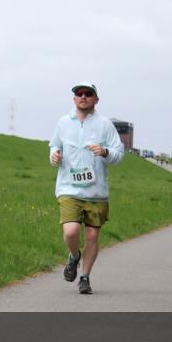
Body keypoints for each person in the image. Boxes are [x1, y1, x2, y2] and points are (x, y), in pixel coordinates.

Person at [49, 81, 124, 295]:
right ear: (74, 99)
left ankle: (85, 277)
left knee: (92, 237)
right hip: (69, 188)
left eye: (88, 94)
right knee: (71, 231)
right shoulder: (63, 122)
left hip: (96, 192)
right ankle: (74, 256)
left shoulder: (105, 124)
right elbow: (54, 145)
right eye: (79, 94)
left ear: (96, 99)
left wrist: (105, 152)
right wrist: (54, 155)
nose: (83, 97)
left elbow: (119, 154)